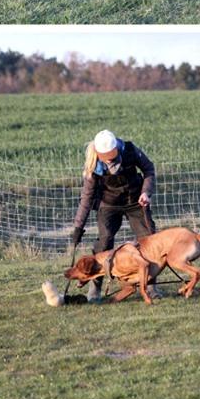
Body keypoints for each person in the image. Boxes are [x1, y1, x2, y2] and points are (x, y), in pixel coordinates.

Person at [70, 129, 158, 301]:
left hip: (135, 201)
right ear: (98, 153)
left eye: (112, 154)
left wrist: (146, 192)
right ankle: (94, 289)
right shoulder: (93, 167)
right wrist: (78, 227)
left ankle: (151, 286)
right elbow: (86, 198)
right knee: (104, 241)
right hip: (108, 205)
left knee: (148, 240)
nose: (110, 158)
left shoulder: (130, 150)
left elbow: (149, 169)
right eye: (106, 156)